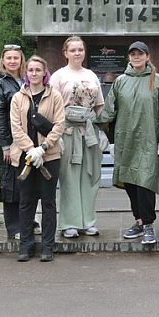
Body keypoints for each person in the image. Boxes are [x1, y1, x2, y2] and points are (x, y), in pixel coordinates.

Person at [97, 41, 159, 245]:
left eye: (140, 54)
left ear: (147, 56)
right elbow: (110, 114)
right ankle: (139, 221)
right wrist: (113, 142)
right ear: (129, 57)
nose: (136, 57)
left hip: (149, 142)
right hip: (126, 141)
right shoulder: (120, 82)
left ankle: (149, 224)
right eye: (132, 54)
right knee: (131, 183)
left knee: (145, 184)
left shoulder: (158, 81)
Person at [10, 56, 66, 261]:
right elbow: (15, 128)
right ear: (26, 73)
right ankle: (26, 245)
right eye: (30, 70)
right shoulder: (18, 97)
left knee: (48, 203)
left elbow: (59, 125)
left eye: (37, 70)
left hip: (49, 157)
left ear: (44, 72)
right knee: (26, 202)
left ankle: (47, 246)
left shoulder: (55, 96)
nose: (34, 73)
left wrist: (42, 148)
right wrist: (30, 150)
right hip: (25, 157)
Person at [49, 36, 105, 239]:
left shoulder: (91, 75)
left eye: (80, 49)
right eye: (73, 50)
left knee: (90, 177)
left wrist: (99, 127)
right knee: (69, 179)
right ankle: (70, 222)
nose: (77, 53)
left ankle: (88, 221)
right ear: (65, 53)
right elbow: (51, 105)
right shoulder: (58, 76)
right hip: (67, 132)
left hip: (88, 133)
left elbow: (99, 105)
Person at [0, 44, 31, 240]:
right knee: (10, 183)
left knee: (27, 180)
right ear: (3, 61)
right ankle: (14, 227)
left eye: (16, 58)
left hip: (29, 140)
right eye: (9, 58)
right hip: (9, 142)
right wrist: (5, 144)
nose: (13, 61)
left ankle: (28, 221)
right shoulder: (0, 85)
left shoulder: (28, 80)